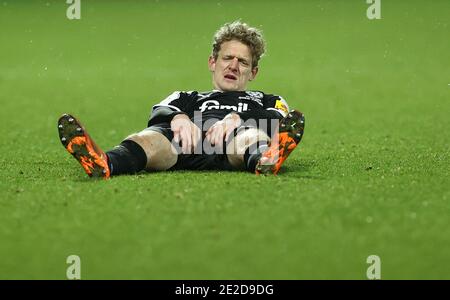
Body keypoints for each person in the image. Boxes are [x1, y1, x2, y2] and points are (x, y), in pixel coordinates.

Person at [57, 21, 305, 179]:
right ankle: (105, 163)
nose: (233, 66)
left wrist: (237, 118)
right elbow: (160, 110)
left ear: (253, 72)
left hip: (234, 145)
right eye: (227, 58)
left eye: (242, 62)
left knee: (251, 135)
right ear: (212, 62)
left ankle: (265, 160)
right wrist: (179, 118)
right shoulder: (189, 97)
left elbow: (281, 118)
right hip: (186, 145)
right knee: (150, 138)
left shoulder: (264, 99)